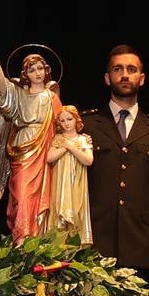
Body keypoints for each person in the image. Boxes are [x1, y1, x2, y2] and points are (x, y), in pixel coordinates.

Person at [81, 45, 149, 290]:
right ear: (107, 77)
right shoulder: (85, 124)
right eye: (118, 69)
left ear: (141, 79)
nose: (124, 75)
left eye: (131, 70)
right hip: (94, 243)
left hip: (141, 245)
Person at [0, 28, 62, 245]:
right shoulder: (19, 95)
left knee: (43, 199)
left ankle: (37, 243)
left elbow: (63, 127)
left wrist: (77, 143)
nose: (37, 72)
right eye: (32, 69)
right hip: (23, 153)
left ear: (46, 71)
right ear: (26, 73)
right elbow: (1, 82)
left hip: (46, 155)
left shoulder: (52, 97)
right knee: (22, 195)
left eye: (40, 68)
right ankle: (21, 242)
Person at [47, 105, 94, 245]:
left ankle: (75, 246)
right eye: (62, 121)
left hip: (77, 183)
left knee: (76, 210)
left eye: (69, 119)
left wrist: (71, 147)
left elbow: (88, 160)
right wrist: (64, 147)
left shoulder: (83, 140)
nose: (66, 123)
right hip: (60, 183)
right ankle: (57, 246)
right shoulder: (57, 139)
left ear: (76, 120)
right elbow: (49, 158)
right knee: (59, 210)